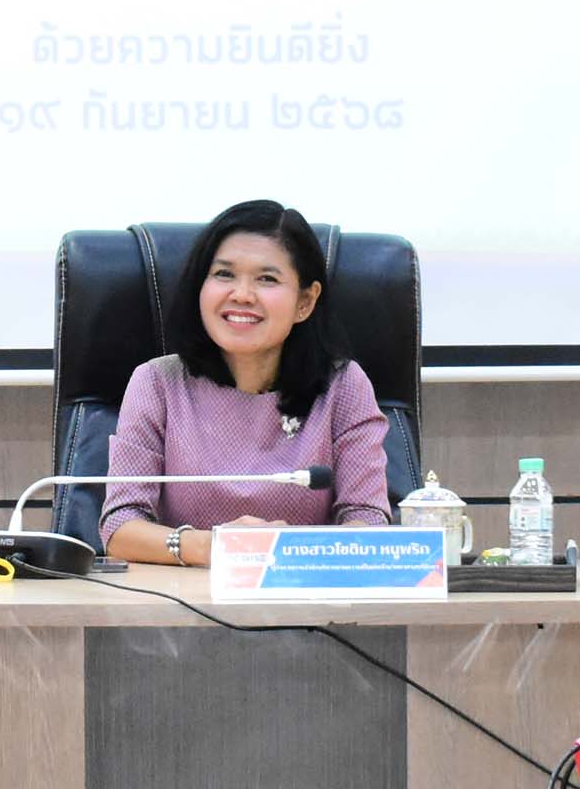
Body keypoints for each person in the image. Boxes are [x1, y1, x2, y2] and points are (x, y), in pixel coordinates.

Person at [101, 200, 392, 568]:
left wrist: (286, 550)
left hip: (306, 597)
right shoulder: (158, 383)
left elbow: (368, 521)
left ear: (305, 301)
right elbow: (120, 527)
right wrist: (215, 547)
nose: (241, 294)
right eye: (224, 274)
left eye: (266, 279)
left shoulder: (344, 386)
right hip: (181, 597)